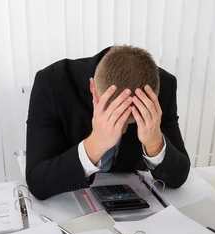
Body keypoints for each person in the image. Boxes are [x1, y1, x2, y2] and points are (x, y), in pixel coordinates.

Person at [26, 45, 190, 200]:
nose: (123, 129)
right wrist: (94, 145)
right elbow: (38, 183)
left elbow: (178, 177)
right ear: (92, 88)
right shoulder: (52, 82)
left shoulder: (165, 86)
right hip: (69, 201)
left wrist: (155, 144)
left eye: (132, 120)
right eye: (115, 116)